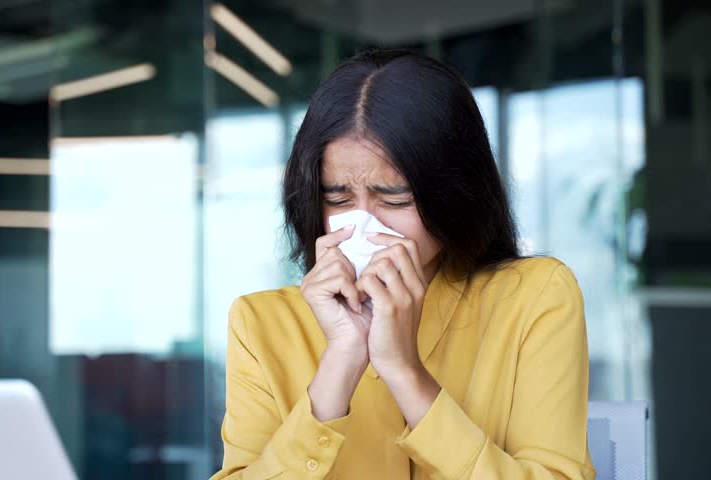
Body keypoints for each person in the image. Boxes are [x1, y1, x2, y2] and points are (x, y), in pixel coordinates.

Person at [211, 49, 595, 479]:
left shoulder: (534, 297)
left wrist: (404, 371)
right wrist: (341, 359)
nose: (363, 223)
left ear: (454, 191)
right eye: (337, 199)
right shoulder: (260, 323)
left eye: (395, 199)